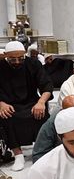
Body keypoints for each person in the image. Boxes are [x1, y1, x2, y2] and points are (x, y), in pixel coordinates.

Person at [0, 41, 53, 171]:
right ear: (6, 56)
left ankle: (41, 151)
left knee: (42, 114)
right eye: (13, 59)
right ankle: (18, 155)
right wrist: (1, 104)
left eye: (20, 58)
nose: (17, 62)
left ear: (25, 54)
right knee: (6, 117)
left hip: (32, 102)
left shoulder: (33, 64)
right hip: (8, 105)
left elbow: (47, 86)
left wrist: (41, 102)